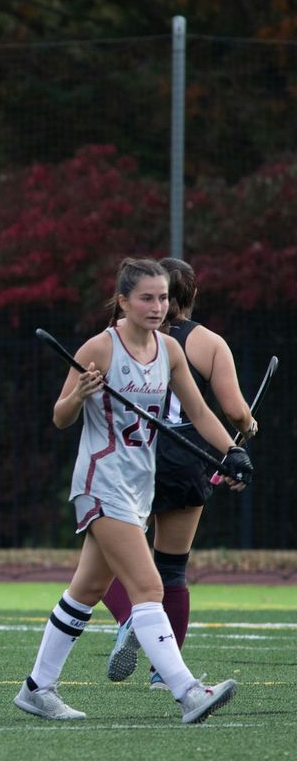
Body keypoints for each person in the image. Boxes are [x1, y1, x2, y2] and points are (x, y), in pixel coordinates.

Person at [13, 257, 252, 725]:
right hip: (101, 482)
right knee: (148, 585)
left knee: (87, 589)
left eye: (162, 297)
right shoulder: (99, 349)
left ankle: (37, 688)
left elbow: (200, 412)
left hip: (139, 484)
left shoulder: (170, 350)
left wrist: (231, 452)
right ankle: (187, 692)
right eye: (146, 298)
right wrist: (80, 393)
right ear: (122, 301)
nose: (157, 306)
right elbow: (60, 417)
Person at [102, 257, 257, 688]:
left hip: (133, 453)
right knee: (172, 568)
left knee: (103, 560)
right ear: (193, 295)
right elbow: (232, 409)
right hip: (186, 456)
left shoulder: (126, 336)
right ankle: (161, 673)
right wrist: (246, 429)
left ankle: (129, 618)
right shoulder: (208, 342)